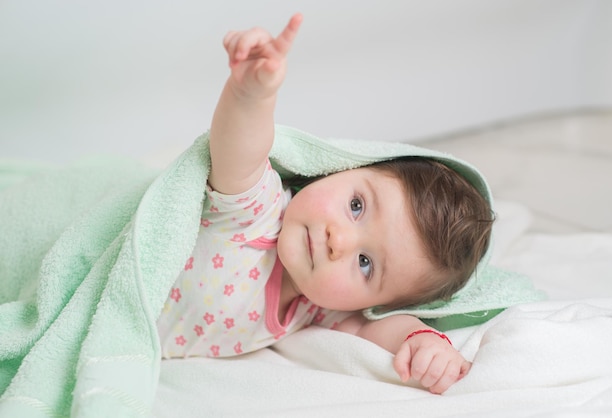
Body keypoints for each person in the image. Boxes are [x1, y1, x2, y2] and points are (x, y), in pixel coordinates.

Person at [157, 13, 493, 395]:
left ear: (375, 301)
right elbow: (240, 151)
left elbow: (373, 329)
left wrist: (422, 341)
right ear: (341, 169)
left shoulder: (315, 306)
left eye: (366, 264)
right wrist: (251, 95)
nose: (340, 241)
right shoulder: (256, 211)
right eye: (356, 206)